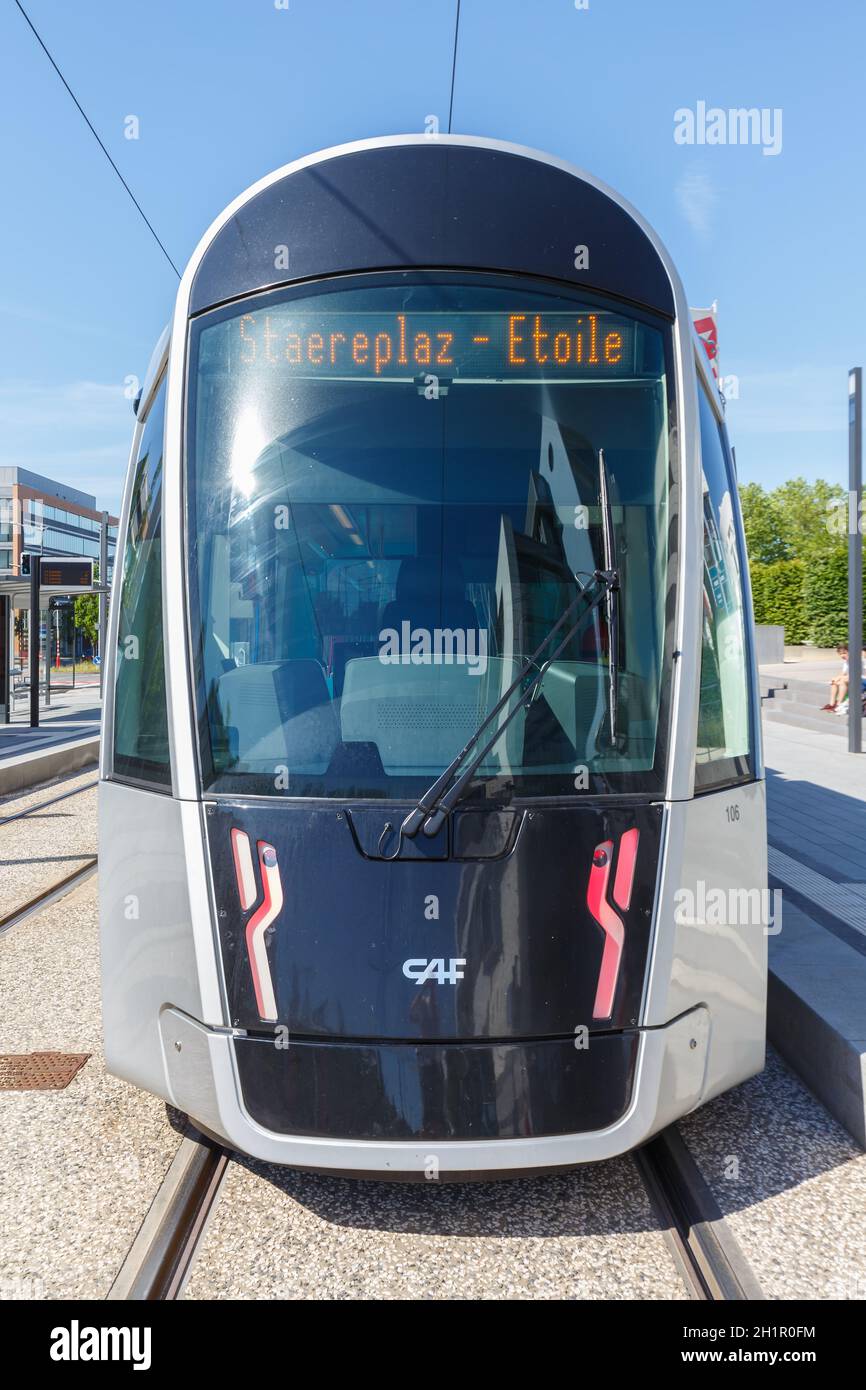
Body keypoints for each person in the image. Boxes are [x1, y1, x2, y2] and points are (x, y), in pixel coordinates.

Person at [822, 646, 848, 711]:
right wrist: (836, 678)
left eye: (844, 653)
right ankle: (832, 704)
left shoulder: (855, 660)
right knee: (834, 681)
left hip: (858, 678)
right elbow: (843, 673)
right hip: (848, 678)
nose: (842, 656)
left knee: (842, 681)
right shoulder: (846, 662)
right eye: (840, 654)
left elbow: (854, 673)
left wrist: (840, 678)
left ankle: (839, 704)